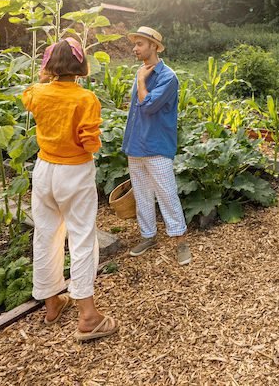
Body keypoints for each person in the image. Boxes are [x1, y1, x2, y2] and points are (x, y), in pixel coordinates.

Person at [21, 37, 118, 342]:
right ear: (80, 65)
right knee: (82, 238)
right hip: (74, 172)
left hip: (44, 171)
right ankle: (88, 316)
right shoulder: (85, 99)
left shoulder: (36, 93)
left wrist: (44, 76)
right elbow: (90, 142)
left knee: (47, 234)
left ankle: (52, 303)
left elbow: (30, 95)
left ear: (49, 65)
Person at [121, 26, 191, 266]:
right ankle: (148, 236)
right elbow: (135, 110)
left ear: (153, 46)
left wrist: (141, 80)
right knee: (141, 195)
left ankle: (180, 241)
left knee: (167, 194)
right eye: (135, 44)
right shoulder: (141, 71)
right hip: (136, 144)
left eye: (140, 44)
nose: (135, 48)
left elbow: (148, 105)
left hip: (157, 146)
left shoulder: (168, 77)